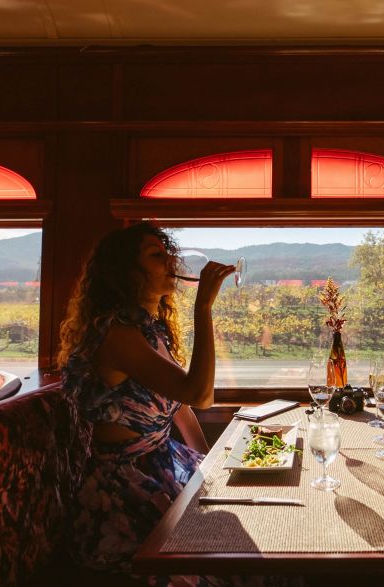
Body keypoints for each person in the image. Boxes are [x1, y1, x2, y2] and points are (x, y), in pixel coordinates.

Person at [57, 222, 234, 576]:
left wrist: (208, 461)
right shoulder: (118, 336)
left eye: (167, 251)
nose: (170, 260)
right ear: (125, 273)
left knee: (240, 533)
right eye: (156, 254)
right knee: (227, 562)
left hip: (164, 460)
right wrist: (204, 309)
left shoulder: (148, 330)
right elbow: (199, 395)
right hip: (124, 489)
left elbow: (180, 407)